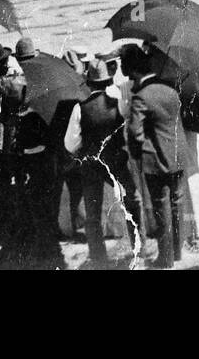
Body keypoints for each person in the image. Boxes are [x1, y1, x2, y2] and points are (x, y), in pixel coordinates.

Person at [64, 58, 141, 266]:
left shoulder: (80, 108)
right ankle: (136, 246)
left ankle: (98, 257)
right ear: (107, 81)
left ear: (88, 83)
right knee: (132, 201)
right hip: (115, 160)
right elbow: (126, 127)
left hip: (91, 163)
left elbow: (71, 143)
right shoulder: (118, 103)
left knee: (92, 213)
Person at [123, 45, 187, 269]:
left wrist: (136, 151)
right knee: (176, 202)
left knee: (162, 207)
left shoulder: (141, 97)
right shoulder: (170, 89)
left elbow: (134, 132)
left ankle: (166, 258)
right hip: (178, 154)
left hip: (157, 160)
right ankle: (177, 252)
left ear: (135, 73)